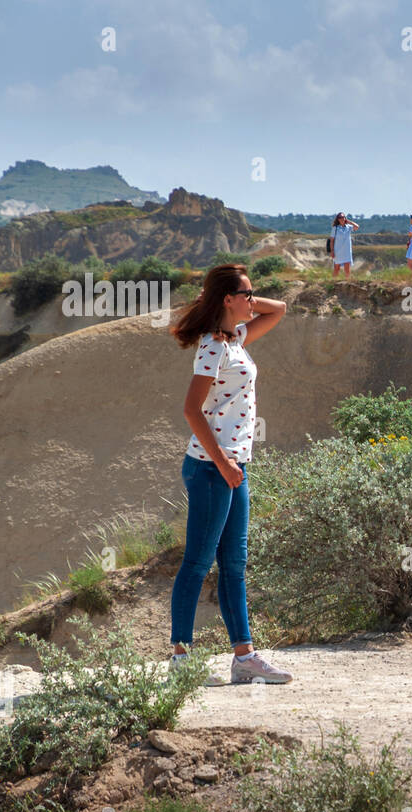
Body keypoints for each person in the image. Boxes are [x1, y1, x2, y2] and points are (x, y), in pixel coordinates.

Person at [168, 263, 293, 685]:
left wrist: (250, 297)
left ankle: (244, 657)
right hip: (210, 468)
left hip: (234, 467)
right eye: (246, 294)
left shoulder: (235, 338)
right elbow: (190, 409)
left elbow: (281, 310)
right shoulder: (211, 347)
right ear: (227, 299)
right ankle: (181, 660)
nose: (254, 301)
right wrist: (222, 462)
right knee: (198, 563)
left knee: (234, 563)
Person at [330, 212, 360, 278]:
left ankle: (347, 282)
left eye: (343, 217)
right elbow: (331, 240)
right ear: (338, 219)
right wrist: (332, 251)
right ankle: (333, 282)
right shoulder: (335, 228)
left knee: (347, 269)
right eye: (340, 217)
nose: (342, 219)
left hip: (347, 251)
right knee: (336, 269)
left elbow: (357, 227)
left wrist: (348, 221)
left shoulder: (348, 227)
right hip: (338, 251)